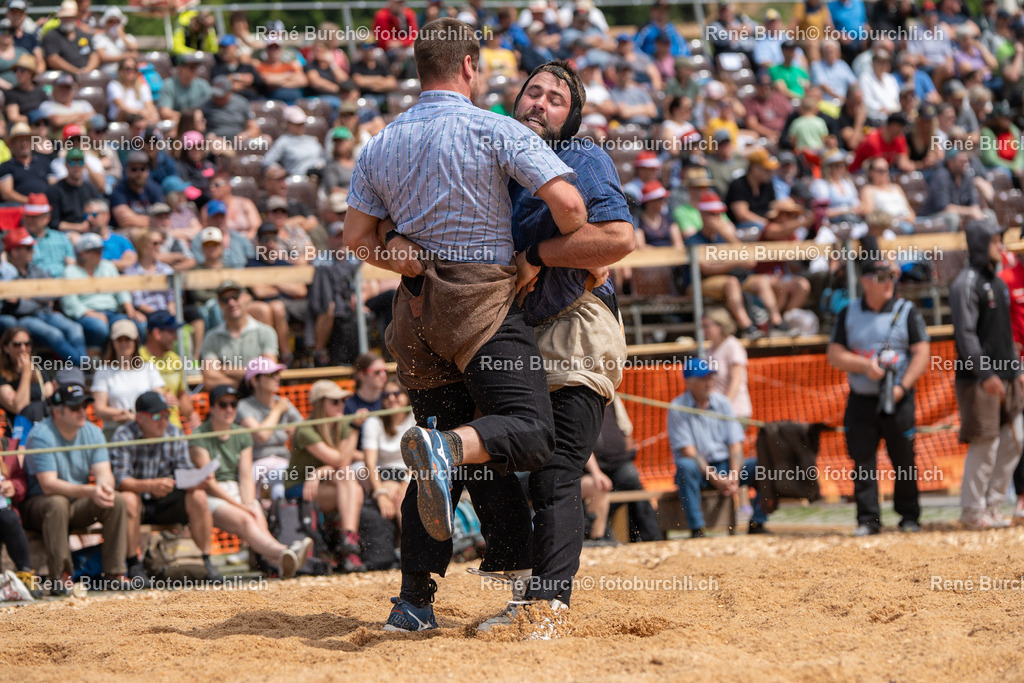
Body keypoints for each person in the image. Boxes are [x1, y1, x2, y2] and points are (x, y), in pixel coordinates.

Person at [343, 17, 587, 632]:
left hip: (413, 314)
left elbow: (355, 240)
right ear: (469, 66)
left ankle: (413, 605)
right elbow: (570, 206)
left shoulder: (380, 142)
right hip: (479, 306)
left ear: (419, 66)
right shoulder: (494, 128)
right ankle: (448, 449)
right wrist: (540, 255)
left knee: (437, 466)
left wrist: (398, 252)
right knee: (531, 430)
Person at [487, 60, 633, 629]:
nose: (540, 103)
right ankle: (526, 593)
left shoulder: (580, 156)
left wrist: (537, 255)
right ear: (516, 99)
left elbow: (617, 238)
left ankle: (548, 605)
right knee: (500, 462)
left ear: (570, 118)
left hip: (577, 324)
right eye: (534, 92)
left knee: (555, 471)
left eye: (555, 99)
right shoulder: (497, 164)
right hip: (517, 332)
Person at [827, 257, 930, 535]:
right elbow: (834, 354)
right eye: (882, 277)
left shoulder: (906, 310)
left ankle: (909, 517)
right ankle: (868, 520)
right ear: (865, 281)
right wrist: (865, 367)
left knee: (904, 459)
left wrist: (901, 388)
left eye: (892, 277)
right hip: (861, 399)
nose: (889, 283)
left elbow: (922, 352)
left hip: (898, 398)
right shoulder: (848, 313)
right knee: (862, 461)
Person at [190, 384, 312, 579]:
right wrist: (240, 506)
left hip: (235, 490)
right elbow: (209, 483)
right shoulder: (199, 436)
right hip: (211, 494)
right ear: (211, 408)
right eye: (223, 404)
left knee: (254, 510)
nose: (229, 409)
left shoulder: (241, 433)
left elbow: (246, 475)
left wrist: (247, 503)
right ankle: (285, 552)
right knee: (247, 518)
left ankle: (278, 560)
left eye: (233, 404)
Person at [21, 383, 130, 593]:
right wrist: (91, 491)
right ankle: (60, 577)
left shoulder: (93, 432)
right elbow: (49, 485)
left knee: (116, 499)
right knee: (57, 503)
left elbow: (104, 473)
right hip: (39, 505)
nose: (82, 412)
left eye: (84, 406)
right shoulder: (40, 435)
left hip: (74, 503)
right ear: (57, 412)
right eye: (74, 408)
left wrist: (105, 488)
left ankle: (115, 572)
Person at [950, 218, 1024, 529]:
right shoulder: (965, 283)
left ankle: (993, 506)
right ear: (981, 244)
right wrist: (986, 373)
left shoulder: (998, 282)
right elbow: (966, 336)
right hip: (979, 380)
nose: (1001, 246)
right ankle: (972, 511)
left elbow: (1005, 334)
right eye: (995, 241)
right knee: (986, 443)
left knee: (1016, 439)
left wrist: (1016, 370)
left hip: (1007, 375)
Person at [110, 391, 223, 583]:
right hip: (139, 503)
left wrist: (196, 480)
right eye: (156, 416)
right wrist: (150, 486)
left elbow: (185, 470)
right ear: (140, 418)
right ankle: (133, 564)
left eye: (166, 415)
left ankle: (205, 561)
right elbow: (120, 481)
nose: (163, 421)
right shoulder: (123, 435)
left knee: (198, 496)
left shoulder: (175, 433)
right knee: (128, 498)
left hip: (168, 500)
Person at [668, 358, 769, 537]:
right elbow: (688, 451)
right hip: (699, 471)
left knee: (763, 464)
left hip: (725, 466)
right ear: (688, 383)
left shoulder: (723, 403)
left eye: (710, 377)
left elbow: (735, 444)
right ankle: (697, 529)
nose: (709, 383)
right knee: (685, 467)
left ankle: (757, 523)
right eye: (703, 379)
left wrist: (734, 476)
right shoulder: (677, 408)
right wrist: (716, 479)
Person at [283, 380, 364, 572]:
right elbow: (340, 459)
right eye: (335, 401)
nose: (341, 405)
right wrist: (355, 429)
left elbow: (342, 462)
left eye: (342, 401)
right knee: (354, 490)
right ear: (320, 404)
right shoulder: (306, 429)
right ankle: (349, 545)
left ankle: (348, 541)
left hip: (325, 482)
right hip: (300, 486)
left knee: (350, 483)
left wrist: (320, 472)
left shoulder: (341, 424)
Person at [0, 229, 87, 364]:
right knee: (54, 334)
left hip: (45, 313)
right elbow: (13, 305)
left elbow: (54, 292)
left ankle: (82, 364)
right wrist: (38, 298)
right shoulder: (7, 273)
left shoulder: (36, 270)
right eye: (28, 248)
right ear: (15, 252)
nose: (33, 251)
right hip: (23, 318)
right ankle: (84, 365)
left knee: (75, 328)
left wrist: (27, 298)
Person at [592, 397, 661, 542]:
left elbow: (626, 431)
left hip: (618, 464)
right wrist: (596, 472)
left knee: (632, 479)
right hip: (591, 471)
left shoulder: (612, 398)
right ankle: (603, 535)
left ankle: (651, 537)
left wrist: (626, 456)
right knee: (598, 488)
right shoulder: (579, 397)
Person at [61, 232, 145, 350]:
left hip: (112, 313)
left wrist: (131, 311)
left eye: (100, 250)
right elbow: (70, 303)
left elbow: (120, 290)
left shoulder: (108, 266)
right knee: (99, 328)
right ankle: (96, 358)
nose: (100, 253)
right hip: (85, 315)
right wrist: (92, 314)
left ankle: (134, 357)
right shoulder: (69, 271)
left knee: (137, 324)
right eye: (95, 251)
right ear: (82, 253)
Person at [237, 356, 301, 500]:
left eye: (277, 373)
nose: (277, 378)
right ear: (254, 381)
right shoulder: (243, 406)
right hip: (256, 466)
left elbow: (305, 429)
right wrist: (277, 410)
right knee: (288, 477)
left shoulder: (283, 403)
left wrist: (295, 432)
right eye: (271, 374)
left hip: (283, 462)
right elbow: (261, 435)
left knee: (279, 490)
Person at [91, 318, 164, 438]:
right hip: (115, 431)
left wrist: (134, 417)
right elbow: (99, 409)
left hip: (147, 431)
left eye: (128, 339)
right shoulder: (103, 372)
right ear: (112, 342)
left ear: (136, 341)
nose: (124, 344)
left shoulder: (148, 368)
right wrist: (129, 415)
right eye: (119, 340)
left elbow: (159, 399)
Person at [199, 281, 279, 389]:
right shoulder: (211, 337)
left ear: (245, 298)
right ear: (220, 304)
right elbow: (210, 379)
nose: (231, 303)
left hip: (258, 397)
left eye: (235, 297)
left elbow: (269, 370)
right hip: (231, 398)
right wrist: (244, 384)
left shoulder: (266, 332)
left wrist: (227, 370)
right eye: (225, 299)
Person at [361, 378, 415, 529]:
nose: (391, 398)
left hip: (414, 472)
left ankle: (408, 542)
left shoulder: (415, 418)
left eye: (396, 393)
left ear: (406, 396)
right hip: (386, 473)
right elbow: (370, 463)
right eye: (386, 395)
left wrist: (407, 482)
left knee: (406, 500)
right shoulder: (374, 422)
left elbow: (420, 457)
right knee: (402, 502)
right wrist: (380, 493)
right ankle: (407, 542)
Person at [140, 310, 193, 430]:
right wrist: (159, 398)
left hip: (174, 428)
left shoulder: (176, 359)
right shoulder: (138, 359)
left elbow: (181, 394)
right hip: (148, 429)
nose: (176, 337)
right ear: (157, 333)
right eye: (171, 332)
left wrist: (191, 414)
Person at [0, 326, 55, 439]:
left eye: (27, 344)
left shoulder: (38, 371)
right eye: (17, 344)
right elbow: (20, 407)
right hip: (17, 436)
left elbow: (49, 397)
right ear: (6, 348)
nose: (23, 348)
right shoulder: (2, 375)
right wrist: (26, 373)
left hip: (41, 431)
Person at [702, 307, 751, 420]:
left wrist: (725, 406)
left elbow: (736, 381)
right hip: (717, 411)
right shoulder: (711, 349)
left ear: (720, 325)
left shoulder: (732, 346)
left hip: (734, 412)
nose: (704, 330)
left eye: (707, 326)